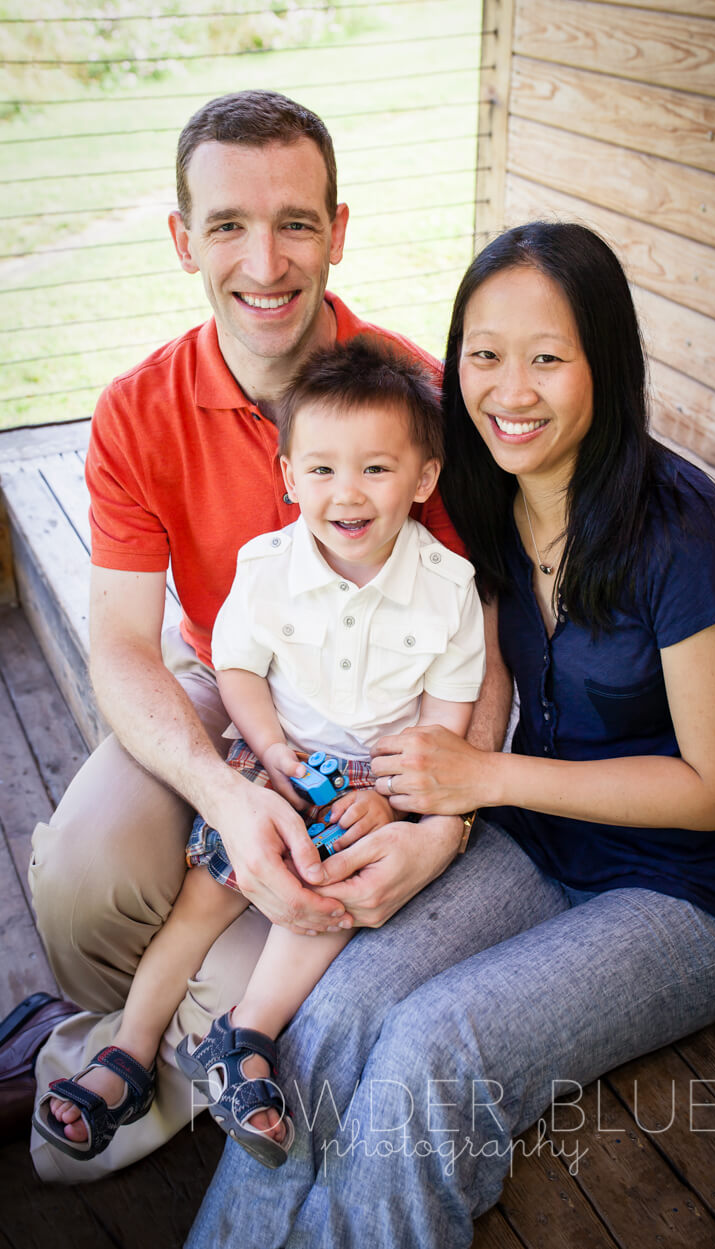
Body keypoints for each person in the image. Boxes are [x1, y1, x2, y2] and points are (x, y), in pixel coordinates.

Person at [185, 222, 715, 1249]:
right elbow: (462, 651)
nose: (511, 390)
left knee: (431, 1049)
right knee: (331, 1010)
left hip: (687, 893)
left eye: (548, 357)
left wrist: (481, 776)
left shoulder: (685, 534)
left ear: (607, 357)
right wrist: (430, 799)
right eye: (484, 354)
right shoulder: (480, 493)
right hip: (537, 837)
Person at [1, 89, 503, 1182]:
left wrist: (444, 820)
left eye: (295, 222)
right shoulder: (140, 409)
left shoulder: (413, 399)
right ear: (185, 240)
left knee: (333, 904)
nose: (265, 262)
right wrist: (232, 788)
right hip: (237, 686)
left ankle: (169, 1047)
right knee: (83, 888)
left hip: (383, 720)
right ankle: (186, 1030)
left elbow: (482, 626)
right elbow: (126, 643)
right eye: (228, 224)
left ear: (339, 229)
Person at [32, 338, 485, 1166]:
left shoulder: (447, 586)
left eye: (376, 471)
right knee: (201, 904)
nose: (346, 494)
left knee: (323, 899)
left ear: (423, 480)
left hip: (367, 785)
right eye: (320, 471)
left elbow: (445, 717)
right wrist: (268, 749)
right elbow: (236, 665)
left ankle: (246, 1039)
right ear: (287, 475)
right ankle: (127, 1049)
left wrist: (396, 799)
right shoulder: (267, 566)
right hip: (276, 759)